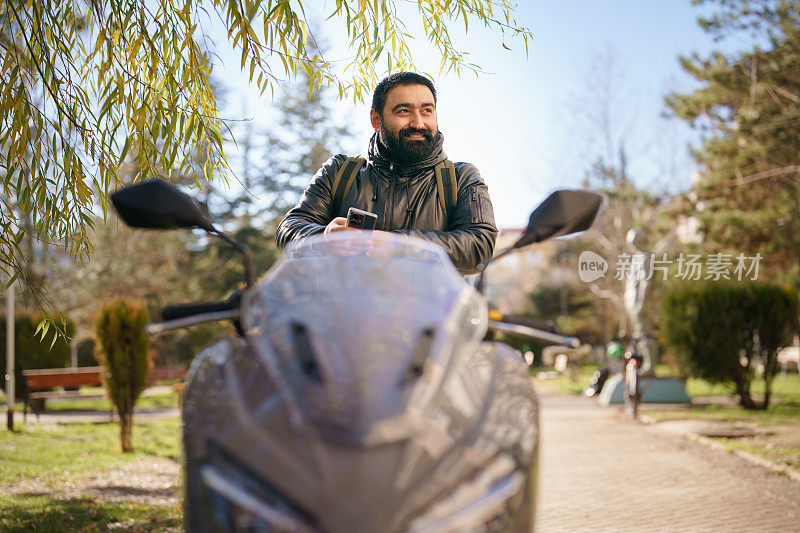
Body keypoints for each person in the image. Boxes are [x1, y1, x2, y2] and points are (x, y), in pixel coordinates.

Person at [275, 71, 497, 275]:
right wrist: (323, 237)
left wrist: (397, 244)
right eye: (404, 111)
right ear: (376, 120)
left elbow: (480, 247)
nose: (418, 122)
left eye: (427, 111)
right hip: (343, 316)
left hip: (429, 318)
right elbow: (288, 230)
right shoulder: (338, 172)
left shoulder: (462, 178)